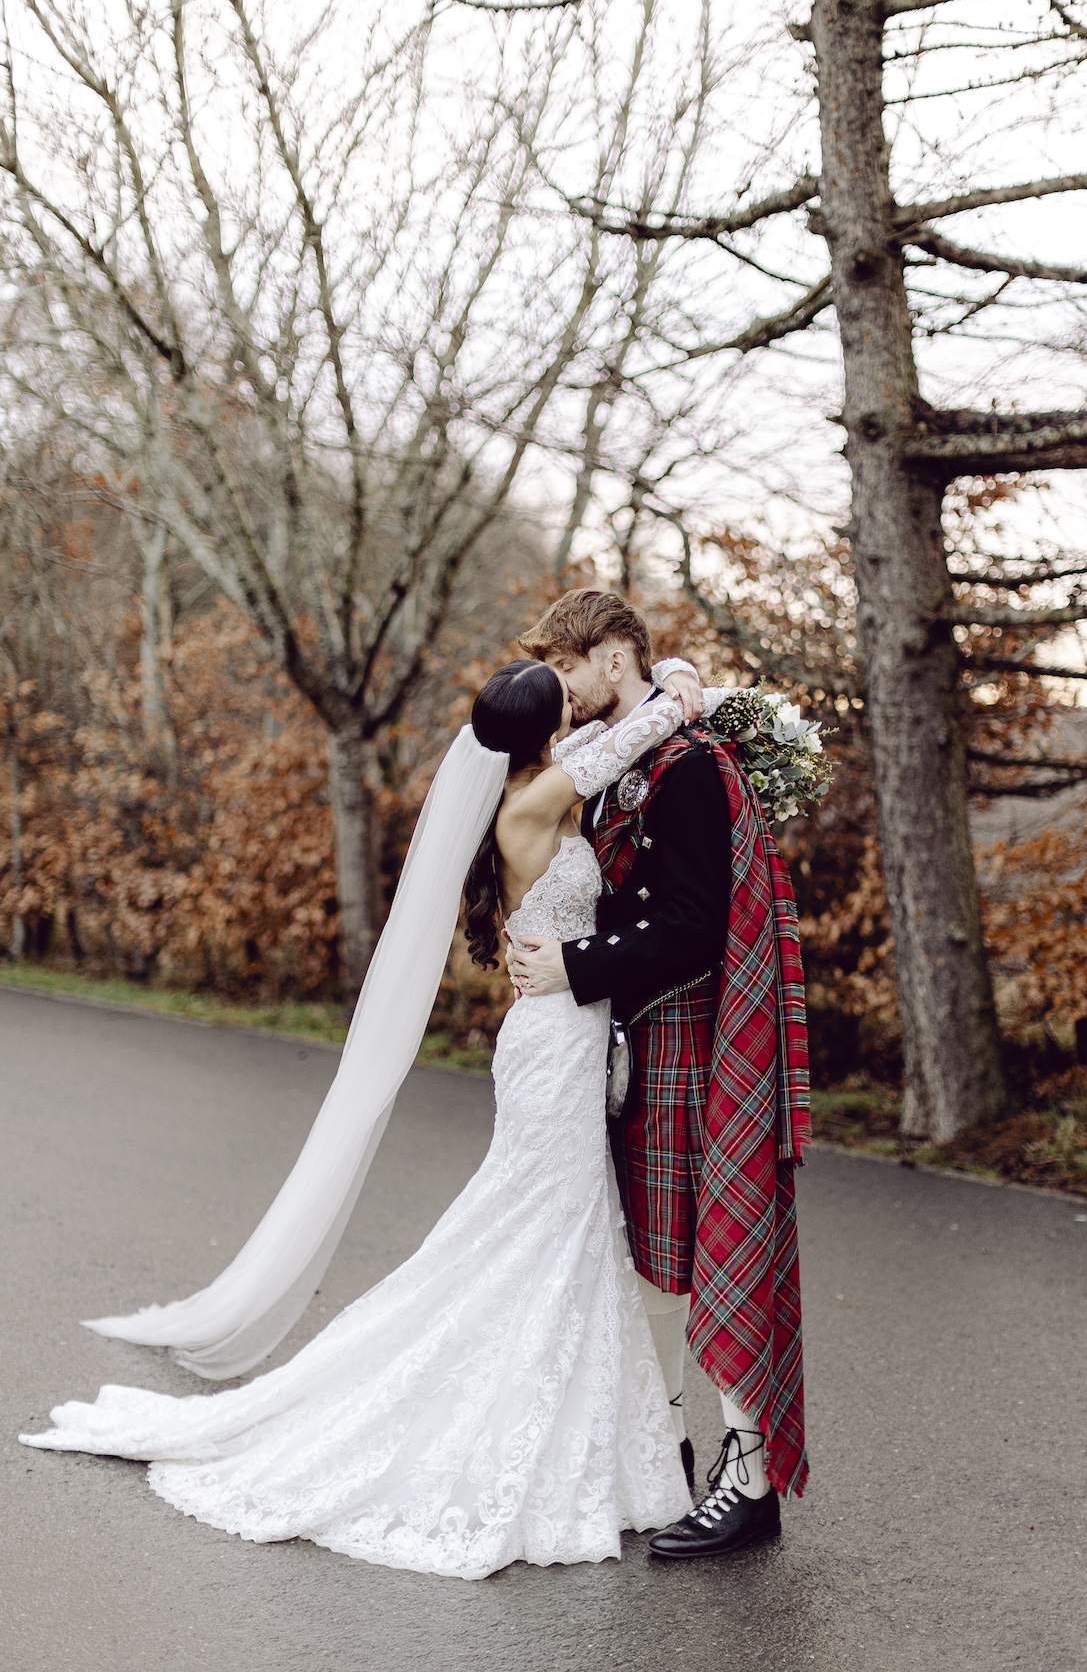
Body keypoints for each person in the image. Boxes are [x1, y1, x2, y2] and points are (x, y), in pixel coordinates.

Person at [19, 654, 732, 1582]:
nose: (578, 703)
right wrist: (684, 693)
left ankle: (577, 1425)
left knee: (553, 1230)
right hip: (553, 1045)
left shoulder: (534, 783)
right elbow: (626, 737)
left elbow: (607, 740)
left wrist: (663, 678)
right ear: (545, 729)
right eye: (565, 698)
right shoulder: (533, 803)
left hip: (566, 1034)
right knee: (546, 1230)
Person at [510, 590, 812, 1559]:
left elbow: (689, 926)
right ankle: (666, 1452)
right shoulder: (619, 762)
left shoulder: (684, 768)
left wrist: (577, 966)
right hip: (629, 1038)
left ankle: (751, 1477)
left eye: (571, 668)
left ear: (614, 656)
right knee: (653, 1254)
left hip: (688, 1028)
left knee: (716, 1246)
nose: (568, 690)